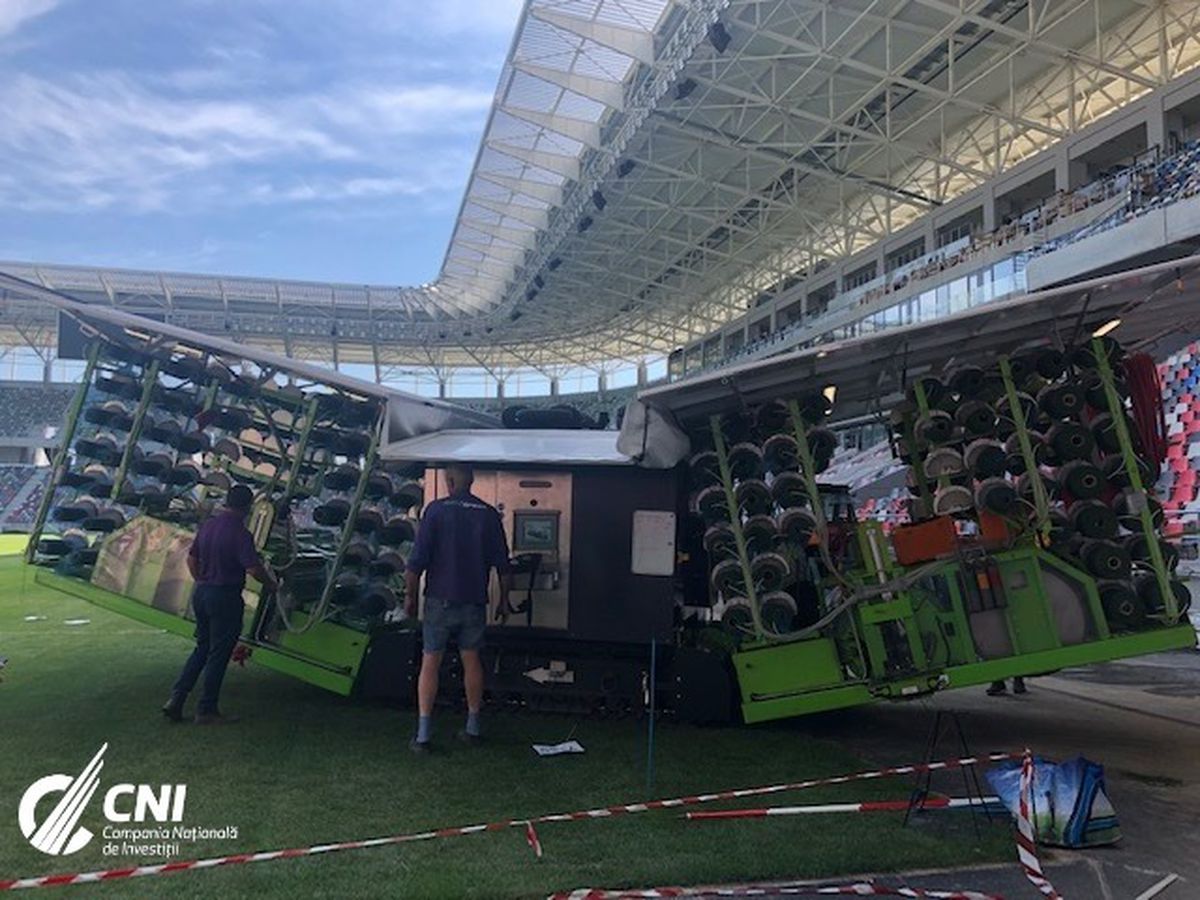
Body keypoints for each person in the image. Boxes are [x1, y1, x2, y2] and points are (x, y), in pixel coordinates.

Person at [405, 464, 511, 753]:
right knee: (472, 660)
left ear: (449, 481)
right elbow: (503, 565)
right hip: (474, 600)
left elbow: (416, 564)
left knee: (431, 662)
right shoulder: (488, 514)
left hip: (440, 599)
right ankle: (472, 727)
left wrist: (411, 600)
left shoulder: (436, 511)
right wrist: (503, 601)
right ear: (472, 482)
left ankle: (424, 735)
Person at [162, 484, 277, 725]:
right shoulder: (240, 533)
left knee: (202, 648)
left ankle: (177, 698)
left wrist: (202, 579)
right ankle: (206, 709)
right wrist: (271, 584)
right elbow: (253, 568)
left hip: (202, 592)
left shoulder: (209, 526)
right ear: (248, 508)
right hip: (224, 595)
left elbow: (192, 558)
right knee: (218, 653)